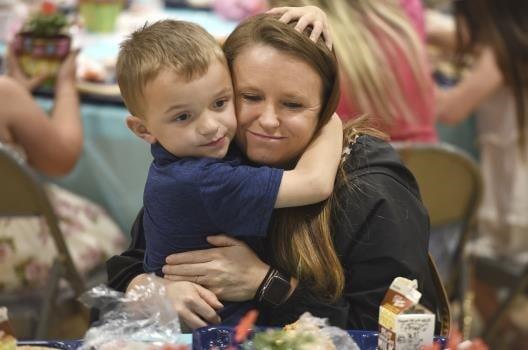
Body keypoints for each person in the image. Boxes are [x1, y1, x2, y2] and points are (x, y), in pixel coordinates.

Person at [107, 12, 440, 331]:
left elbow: (389, 334)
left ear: (325, 106)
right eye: (249, 96)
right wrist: (153, 292)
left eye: (293, 104)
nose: (267, 121)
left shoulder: (371, 191)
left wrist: (268, 284)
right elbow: (126, 269)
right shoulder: (214, 156)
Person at [115, 19, 342, 324]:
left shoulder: (185, 157)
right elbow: (314, 183)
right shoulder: (200, 180)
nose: (211, 127)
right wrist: (328, 115)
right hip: (216, 333)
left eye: (221, 102)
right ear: (143, 129)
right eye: (183, 116)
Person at [435, 0, 528, 344]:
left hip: (518, 204)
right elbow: (447, 31)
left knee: (458, 253)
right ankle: (512, 334)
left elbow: (450, 109)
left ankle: (509, 337)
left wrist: (407, 76)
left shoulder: (500, 55)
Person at [0, 50, 126, 290]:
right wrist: (66, 85)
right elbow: (62, 161)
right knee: (107, 231)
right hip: (17, 252)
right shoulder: (4, 94)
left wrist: (19, 99)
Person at [269, 0, 437, 143]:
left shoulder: (286, 24)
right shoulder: (403, 11)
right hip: (434, 172)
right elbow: (442, 109)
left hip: (345, 171)